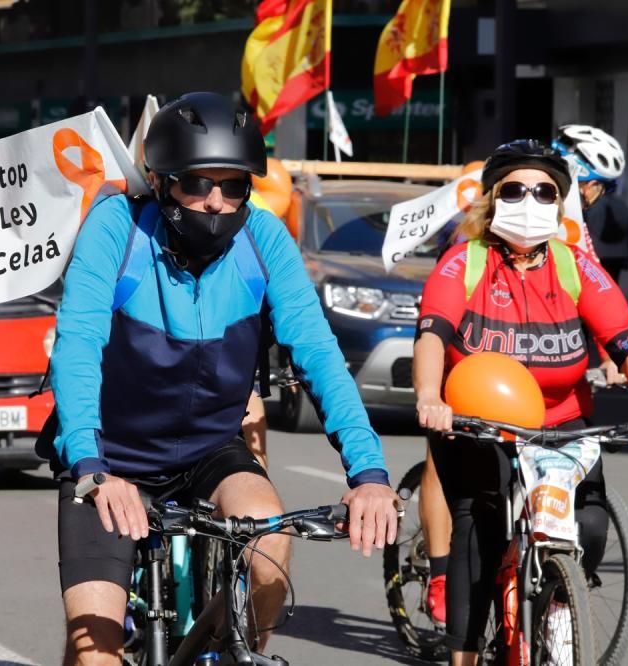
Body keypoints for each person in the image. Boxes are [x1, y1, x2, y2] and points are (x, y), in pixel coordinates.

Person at [49, 92, 399, 666]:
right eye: (197, 183)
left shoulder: (263, 239)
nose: (216, 202)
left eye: (233, 185)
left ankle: (227, 651)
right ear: (161, 183)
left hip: (211, 450)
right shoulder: (116, 225)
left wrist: (370, 474)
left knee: (271, 549)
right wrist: (90, 466)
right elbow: (79, 344)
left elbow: (318, 352)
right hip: (110, 458)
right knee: (94, 649)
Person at [412, 140, 628, 665]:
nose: (530, 199)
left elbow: (627, 341)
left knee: (592, 523)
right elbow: (431, 334)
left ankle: (560, 598)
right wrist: (429, 397)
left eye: (545, 191)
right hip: (476, 420)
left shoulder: (574, 265)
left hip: (562, 422)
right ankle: (464, 654)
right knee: (479, 531)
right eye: (515, 189)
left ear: (560, 205)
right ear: (493, 199)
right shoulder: (463, 262)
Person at [552, 124, 628, 284]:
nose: (602, 193)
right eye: (602, 187)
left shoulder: (568, 217)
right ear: (591, 185)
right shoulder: (557, 220)